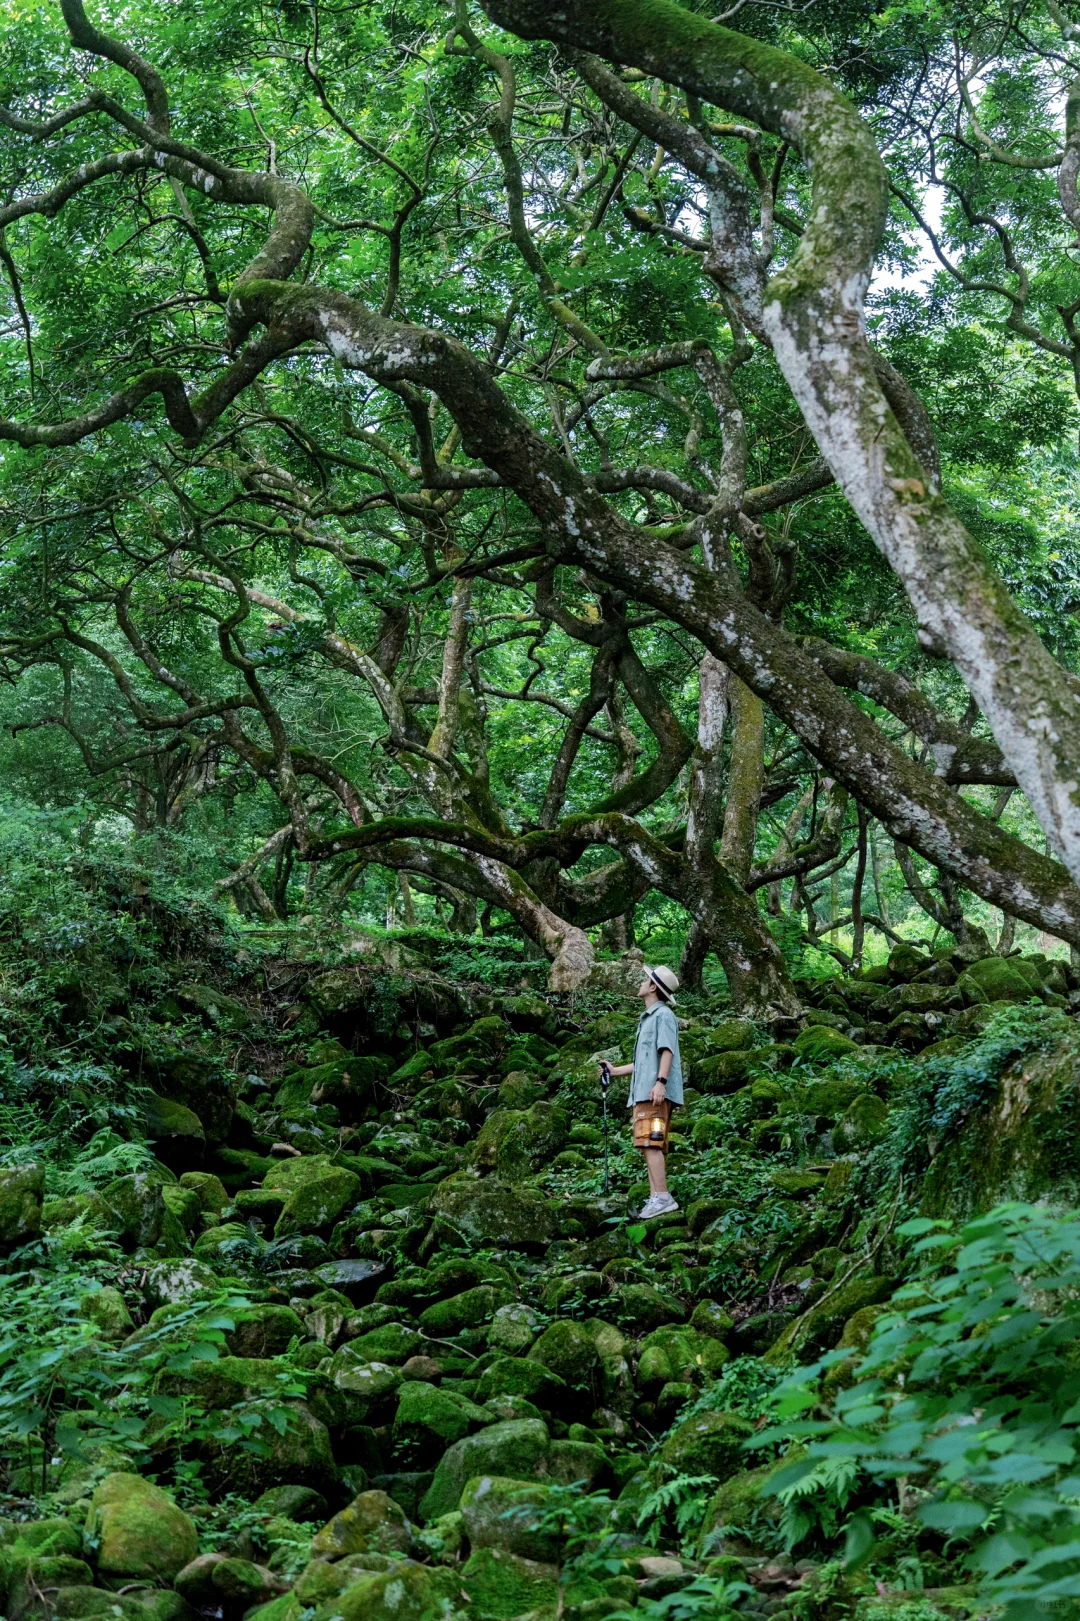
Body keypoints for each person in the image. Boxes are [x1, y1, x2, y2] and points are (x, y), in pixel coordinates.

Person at [600, 965, 683, 1218]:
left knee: (651, 1143)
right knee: (649, 1144)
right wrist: (615, 1071)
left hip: (653, 1093)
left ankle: (663, 1198)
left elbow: (667, 1050)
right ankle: (656, 1197)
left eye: (646, 980)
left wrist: (660, 1082)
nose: (641, 983)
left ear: (653, 987)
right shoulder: (649, 1017)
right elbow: (645, 1061)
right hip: (646, 1092)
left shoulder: (663, 1015)